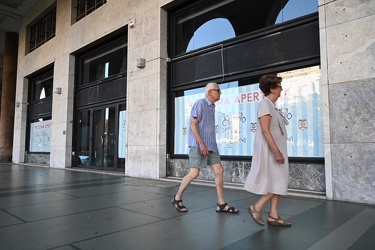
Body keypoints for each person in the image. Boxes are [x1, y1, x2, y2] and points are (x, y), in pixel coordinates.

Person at [172, 82, 239, 214]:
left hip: (211, 145)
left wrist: (208, 144)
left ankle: (221, 203)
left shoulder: (212, 106)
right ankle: (177, 198)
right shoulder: (200, 103)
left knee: (219, 170)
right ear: (209, 92)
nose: (220, 93)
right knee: (194, 173)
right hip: (198, 145)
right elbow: (193, 125)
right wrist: (202, 144)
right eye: (218, 90)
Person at [244, 74, 292, 226]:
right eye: (279, 86)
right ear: (272, 88)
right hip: (271, 151)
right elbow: (265, 130)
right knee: (277, 181)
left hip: (277, 150)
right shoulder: (265, 104)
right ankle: (256, 207)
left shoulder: (271, 106)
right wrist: (277, 152)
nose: (281, 88)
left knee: (278, 181)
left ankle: (273, 216)